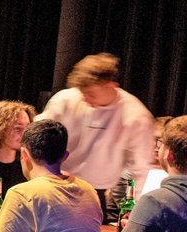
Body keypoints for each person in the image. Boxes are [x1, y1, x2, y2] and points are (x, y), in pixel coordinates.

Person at [37, 53, 156, 207]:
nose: (85, 99)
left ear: (111, 86)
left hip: (95, 192)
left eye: (91, 93)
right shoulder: (66, 99)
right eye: (82, 92)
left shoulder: (135, 115)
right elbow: (37, 134)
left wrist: (137, 206)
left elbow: (141, 166)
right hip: (56, 184)